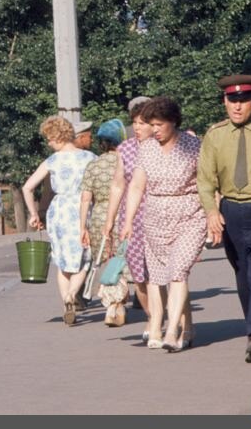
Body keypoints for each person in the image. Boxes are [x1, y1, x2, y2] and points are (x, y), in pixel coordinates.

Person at [197, 74, 251, 363]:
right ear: (225, 102)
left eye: (244, 101)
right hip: (231, 212)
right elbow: (205, 180)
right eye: (233, 100)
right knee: (243, 274)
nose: (238, 107)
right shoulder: (215, 135)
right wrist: (211, 211)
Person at [121, 97, 206, 352]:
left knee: (178, 272)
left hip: (189, 214)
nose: (154, 130)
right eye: (151, 125)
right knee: (159, 277)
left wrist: (212, 214)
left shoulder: (193, 146)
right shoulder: (146, 149)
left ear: (173, 122)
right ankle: (186, 326)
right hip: (155, 217)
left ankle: (172, 331)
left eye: (159, 125)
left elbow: (206, 182)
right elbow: (136, 185)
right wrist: (127, 221)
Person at [23, 116, 96, 325]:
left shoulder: (52, 161)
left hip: (60, 211)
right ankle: (73, 294)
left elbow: (27, 187)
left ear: (57, 136)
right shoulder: (90, 157)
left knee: (63, 261)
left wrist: (34, 214)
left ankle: (66, 302)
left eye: (49, 138)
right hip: (83, 209)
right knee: (84, 258)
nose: (48, 143)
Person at [104, 98, 154, 340]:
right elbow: (117, 185)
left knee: (163, 274)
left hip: (160, 215)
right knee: (139, 275)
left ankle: (175, 318)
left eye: (143, 122)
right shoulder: (126, 149)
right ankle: (152, 318)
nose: (137, 127)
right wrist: (110, 219)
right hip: (131, 220)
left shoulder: (164, 146)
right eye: (134, 122)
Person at [80, 119, 126, 326]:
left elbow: (86, 198)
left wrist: (83, 226)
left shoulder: (93, 165)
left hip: (99, 216)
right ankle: (117, 303)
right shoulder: (126, 161)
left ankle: (110, 304)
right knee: (122, 261)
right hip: (123, 214)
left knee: (106, 261)